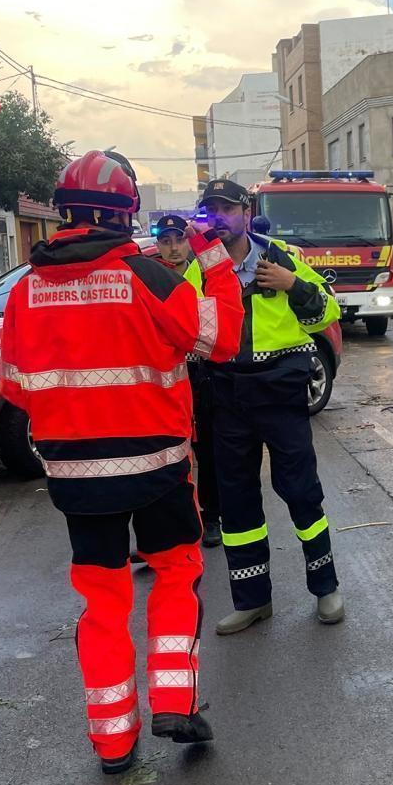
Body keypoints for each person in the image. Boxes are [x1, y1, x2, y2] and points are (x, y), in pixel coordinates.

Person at [0, 150, 243, 774]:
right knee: (176, 572)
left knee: (102, 598)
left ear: (64, 212)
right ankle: (175, 704)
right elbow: (221, 340)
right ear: (127, 212)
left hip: (75, 478)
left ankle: (113, 741)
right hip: (158, 466)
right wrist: (210, 255)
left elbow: (16, 386)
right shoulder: (148, 278)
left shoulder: (26, 290)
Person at [195, 178, 344, 634]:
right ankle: (253, 600)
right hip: (227, 394)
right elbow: (184, 326)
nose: (218, 217)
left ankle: (326, 589)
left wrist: (292, 284)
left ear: (246, 212)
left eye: (226, 209)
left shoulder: (283, 257)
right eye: (210, 210)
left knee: (300, 490)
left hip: (280, 391)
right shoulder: (198, 269)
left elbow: (326, 314)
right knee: (237, 501)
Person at [154, 213, 222, 548]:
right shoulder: (149, 277)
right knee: (165, 452)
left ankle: (211, 518)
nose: (173, 248)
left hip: (199, 373)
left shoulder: (203, 274)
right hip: (164, 378)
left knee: (205, 450)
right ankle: (168, 530)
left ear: (188, 241)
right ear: (158, 245)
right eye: (165, 241)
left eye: (179, 240)